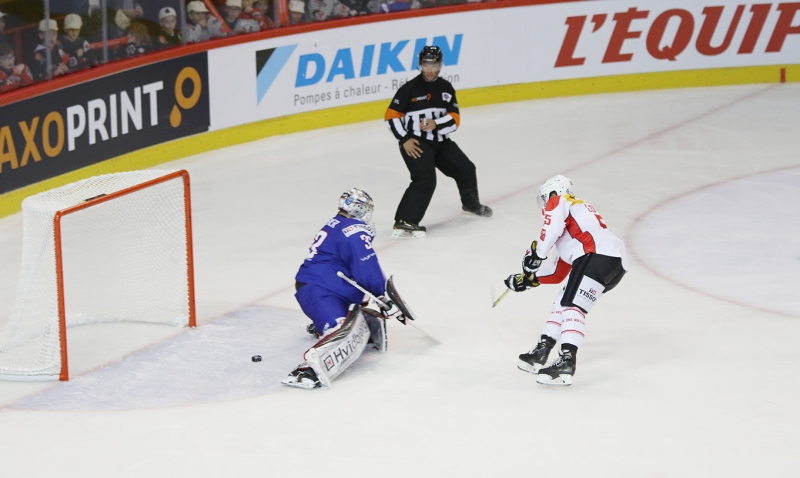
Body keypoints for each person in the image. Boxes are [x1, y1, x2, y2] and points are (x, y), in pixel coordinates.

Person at [504, 175, 627, 386]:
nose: (544, 204)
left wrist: (536, 256)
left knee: (572, 307)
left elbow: (549, 231)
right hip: (611, 262)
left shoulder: (560, 200)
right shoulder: (573, 226)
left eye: (544, 198)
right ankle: (543, 349)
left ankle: (566, 362)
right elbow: (557, 272)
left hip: (596, 256)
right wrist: (528, 279)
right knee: (564, 300)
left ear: (552, 193)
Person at [283, 188, 407, 389]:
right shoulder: (355, 230)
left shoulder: (339, 223)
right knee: (340, 330)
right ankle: (307, 370)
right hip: (319, 290)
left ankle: (322, 323)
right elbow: (366, 268)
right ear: (358, 209)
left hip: (328, 287)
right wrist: (383, 297)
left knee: (353, 319)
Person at [384, 45, 491, 239]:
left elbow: (455, 119)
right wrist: (405, 139)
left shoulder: (446, 88)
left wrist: (436, 124)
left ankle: (471, 204)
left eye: (434, 65)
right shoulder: (409, 89)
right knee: (425, 179)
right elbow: (391, 116)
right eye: (426, 64)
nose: (430, 70)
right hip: (416, 143)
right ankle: (405, 222)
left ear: (441, 65)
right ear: (420, 65)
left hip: (440, 142)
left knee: (466, 168)